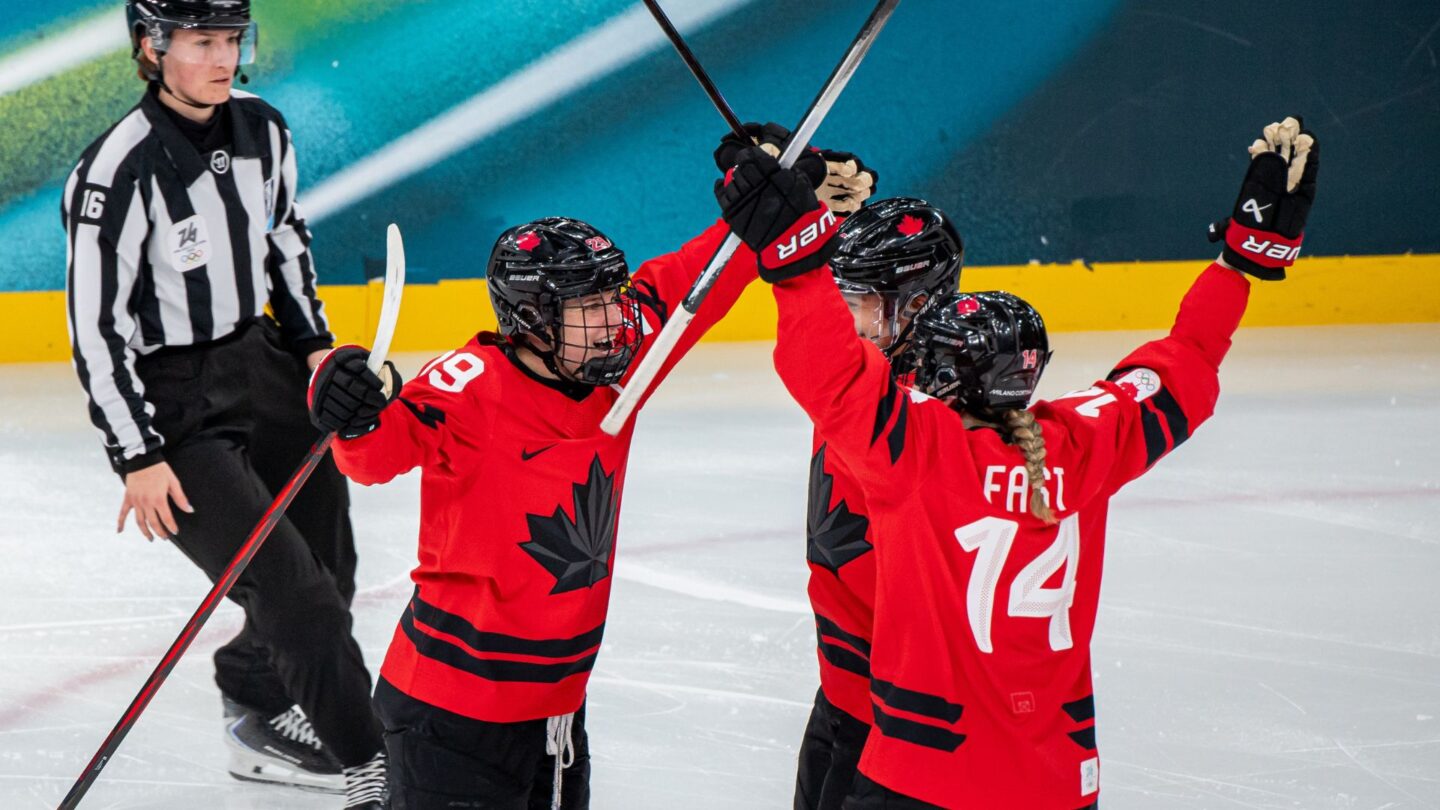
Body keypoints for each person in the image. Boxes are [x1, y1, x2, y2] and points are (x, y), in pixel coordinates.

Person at [716, 117, 1317, 808]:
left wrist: (797, 258)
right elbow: (1185, 361)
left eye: (866, 306)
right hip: (1050, 771)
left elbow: (820, 361)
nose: (855, 319)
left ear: (925, 320)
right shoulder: (1081, 443)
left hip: (907, 750)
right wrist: (1241, 268)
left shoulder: (909, 444)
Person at [306, 126, 871, 809]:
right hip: (448, 718)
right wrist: (352, 409)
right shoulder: (469, 382)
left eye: (613, 296)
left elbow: (702, 278)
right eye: (591, 306)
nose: (613, 320)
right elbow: (375, 455)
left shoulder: (619, 363)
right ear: (534, 320)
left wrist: (773, 202)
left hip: (555, 716)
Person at [63, 1, 387, 805]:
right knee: (295, 596)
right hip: (177, 407)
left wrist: (315, 350)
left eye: (231, 39)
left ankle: (254, 699)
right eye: (202, 41)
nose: (222, 57)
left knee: (331, 570)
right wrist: (137, 455)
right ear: (152, 47)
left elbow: (284, 240)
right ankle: (376, 767)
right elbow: (95, 327)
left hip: (265, 365)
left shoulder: (264, 131)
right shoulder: (116, 171)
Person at [792, 198, 962, 810]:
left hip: (896, 723)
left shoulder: (941, 419)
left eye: (858, 301)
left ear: (920, 304)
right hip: (841, 695)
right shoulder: (859, 373)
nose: (843, 319)